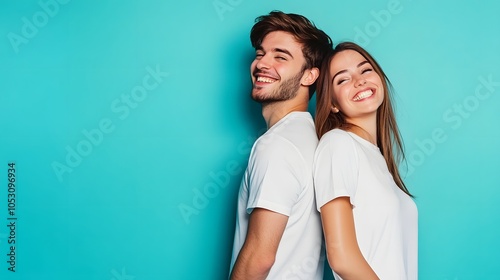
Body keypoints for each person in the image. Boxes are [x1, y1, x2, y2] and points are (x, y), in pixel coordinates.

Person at [229, 11, 333, 280]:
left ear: (309, 76)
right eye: (260, 53)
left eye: (280, 56)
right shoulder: (314, 140)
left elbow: (259, 258)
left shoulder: (277, 146)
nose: (262, 63)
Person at [313, 42, 418, 280]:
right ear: (332, 103)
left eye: (365, 70)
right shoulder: (337, 144)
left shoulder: (377, 157)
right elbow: (341, 257)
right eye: (342, 79)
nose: (359, 81)